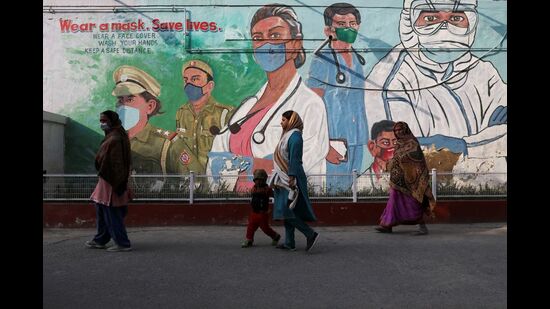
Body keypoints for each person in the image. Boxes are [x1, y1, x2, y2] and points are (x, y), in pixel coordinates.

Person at [364, 0, 506, 174]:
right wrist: (487, 139)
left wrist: (462, 146)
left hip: (486, 186)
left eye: (456, 18)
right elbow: (413, 154)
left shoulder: (483, 72)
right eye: (431, 18)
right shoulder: (391, 82)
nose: (445, 27)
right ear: (410, 22)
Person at [207, 3, 329, 192]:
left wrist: (239, 164)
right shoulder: (248, 105)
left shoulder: (310, 105)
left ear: (296, 44)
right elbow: (214, 160)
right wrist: (255, 164)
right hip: (237, 201)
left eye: (275, 35)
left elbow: (297, 166)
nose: (266, 45)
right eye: (258, 38)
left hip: (283, 203)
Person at [307, 2, 370, 192]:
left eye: (352, 23)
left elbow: (359, 102)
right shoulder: (322, 60)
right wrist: (323, 146)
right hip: (334, 139)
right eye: (342, 24)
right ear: (329, 30)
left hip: (357, 137)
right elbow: (312, 107)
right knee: (336, 189)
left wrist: (365, 136)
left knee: (353, 187)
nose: (348, 28)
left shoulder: (357, 61)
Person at [112, 65, 202, 191]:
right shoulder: (113, 142)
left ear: (150, 106)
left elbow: (197, 181)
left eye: (130, 99)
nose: (123, 106)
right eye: (120, 100)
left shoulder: (167, 144)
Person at [269, 111, 320, 252]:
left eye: (284, 120)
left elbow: (295, 159)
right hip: (283, 177)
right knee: (289, 211)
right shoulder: (287, 136)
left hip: (290, 178)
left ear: (291, 121)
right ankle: (289, 242)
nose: (281, 123)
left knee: (285, 210)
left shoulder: (295, 137)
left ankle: (310, 234)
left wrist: (291, 177)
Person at [374, 121, 436, 235]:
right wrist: (389, 164)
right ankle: (387, 225)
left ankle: (422, 227)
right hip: (397, 181)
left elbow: (416, 161)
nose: (398, 133)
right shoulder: (399, 144)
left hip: (411, 182)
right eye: (396, 131)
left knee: (414, 203)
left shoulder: (412, 143)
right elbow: (397, 160)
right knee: (393, 202)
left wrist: (395, 162)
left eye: (400, 130)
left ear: (405, 130)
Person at [86, 110, 133, 252]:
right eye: (101, 121)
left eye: (104, 121)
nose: (102, 124)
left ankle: (123, 243)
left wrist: (118, 183)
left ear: (112, 121)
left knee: (112, 213)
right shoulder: (115, 135)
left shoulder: (115, 138)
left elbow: (116, 163)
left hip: (111, 181)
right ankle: (100, 240)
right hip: (107, 179)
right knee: (101, 209)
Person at [176, 59, 234, 172]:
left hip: (214, 182)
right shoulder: (181, 112)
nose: (189, 84)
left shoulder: (225, 114)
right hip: (188, 182)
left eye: (195, 79)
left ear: (210, 86)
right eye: (186, 80)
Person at [241, 169, 281, 248]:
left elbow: (275, 195)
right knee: (251, 226)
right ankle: (249, 239)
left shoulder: (267, 189)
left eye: (260, 180)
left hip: (263, 213)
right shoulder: (254, 188)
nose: (258, 182)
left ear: (264, 180)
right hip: (254, 212)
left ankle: (275, 236)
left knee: (265, 228)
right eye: (256, 180)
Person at [362, 120, 396, 189]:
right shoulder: (363, 183)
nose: (392, 147)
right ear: (372, 147)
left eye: (396, 143)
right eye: (385, 143)